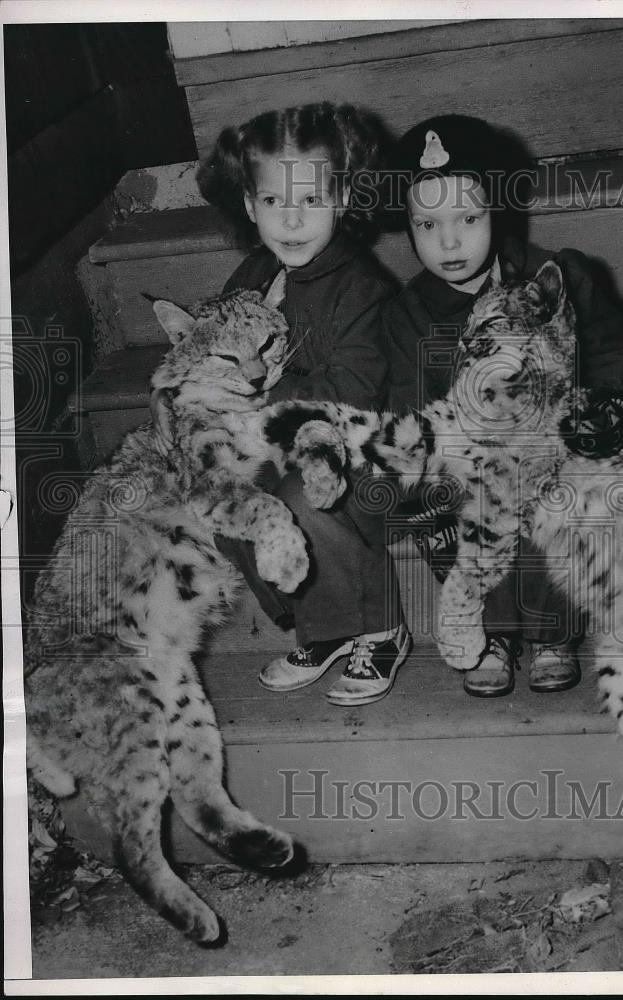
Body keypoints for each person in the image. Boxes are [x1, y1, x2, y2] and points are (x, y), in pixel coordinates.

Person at [379, 114, 623, 698]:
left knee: (560, 484)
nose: (448, 242)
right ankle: (494, 632)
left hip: (555, 447)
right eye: (426, 223)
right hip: (472, 466)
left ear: (497, 215)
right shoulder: (407, 313)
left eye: (469, 218)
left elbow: (615, 357)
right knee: (468, 498)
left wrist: (608, 413)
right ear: (406, 227)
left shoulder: (557, 279)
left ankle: (555, 630)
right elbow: (411, 404)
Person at [152, 102, 410, 707]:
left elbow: (353, 392)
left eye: (311, 201)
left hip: (364, 448)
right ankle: (324, 627)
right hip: (273, 435)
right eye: (273, 203)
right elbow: (208, 349)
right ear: (249, 206)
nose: (291, 221)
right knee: (221, 494)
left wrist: (254, 402)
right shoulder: (254, 272)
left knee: (297, 498)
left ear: (342, 199)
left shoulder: (364, 288)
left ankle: (376, 625)